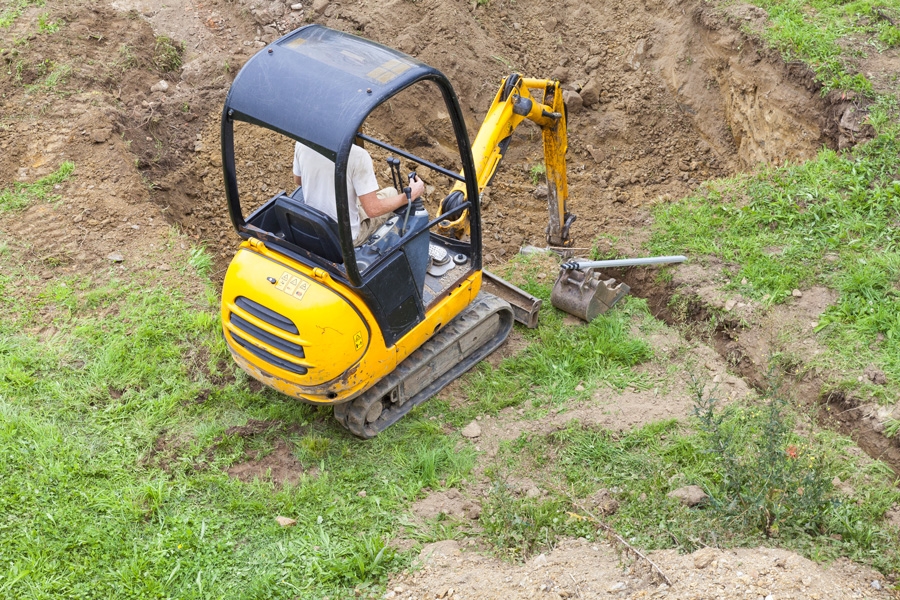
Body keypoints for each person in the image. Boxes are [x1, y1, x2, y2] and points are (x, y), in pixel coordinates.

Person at [292, 141, 425, 246]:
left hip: (315, 226)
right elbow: (373, 209)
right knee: (391, 192)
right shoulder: (357, 155)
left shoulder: (302, 143)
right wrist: (410, 195)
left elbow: (298, 180)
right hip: (345, 238)